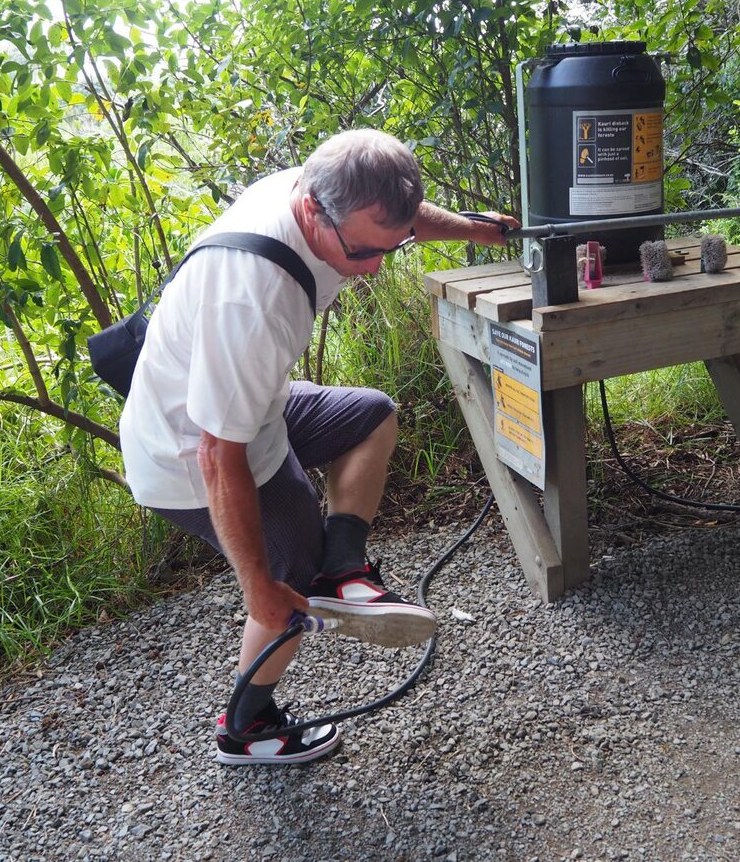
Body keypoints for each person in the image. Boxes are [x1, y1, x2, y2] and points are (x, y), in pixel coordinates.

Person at [118, 130, 518, 765]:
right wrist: (258, 587)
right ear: (312, 212)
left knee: (370, 416)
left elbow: (406, 215)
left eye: (392, 248)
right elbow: (218, 456)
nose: (374, 268)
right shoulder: (254, 298)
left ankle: (346, 569)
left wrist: (479, 229)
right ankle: (245, 727)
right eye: (361, 251)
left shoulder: (333, 186)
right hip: (187, 450)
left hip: (254, 407)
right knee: (287, 579)